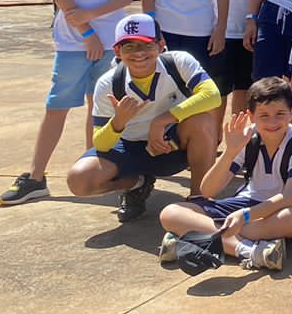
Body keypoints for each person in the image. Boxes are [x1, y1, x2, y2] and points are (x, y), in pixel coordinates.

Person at [0, 0, 142, 208]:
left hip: (112, 44)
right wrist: (88, 33)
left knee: (101, 108)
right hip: (72, 43)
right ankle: (35, 178)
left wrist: (91, 17)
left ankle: (95, 170)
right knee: (57, 106)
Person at [63, 14, 222, 221]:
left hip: (171, 146)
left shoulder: (179, 62)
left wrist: (163, 120)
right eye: (129, 47)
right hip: (129, 148)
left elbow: (213, 95)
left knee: (202, 121)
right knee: (79, 181)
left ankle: (198, 199)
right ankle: (137, 183)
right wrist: (118, 122)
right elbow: (100, 144)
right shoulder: (108, 83)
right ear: (118, 51)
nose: (139, 53)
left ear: (161, 44)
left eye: (147, 45)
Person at [156, 77, 292, 272]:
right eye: (264, 115)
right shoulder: (247, 136)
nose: (272, 122)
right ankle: (249, 251)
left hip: (282, 208)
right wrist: (230, 151)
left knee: (291, 219)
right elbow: (207, 190)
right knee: (170, 213)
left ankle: (189, 239)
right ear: (251, 115)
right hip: (247, 203)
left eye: (280, 113)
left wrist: (245, 216)